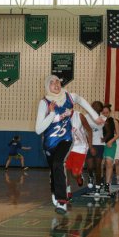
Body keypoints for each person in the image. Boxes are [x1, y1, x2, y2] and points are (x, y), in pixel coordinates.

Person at [35, 75, 104, 214]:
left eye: (58, 81)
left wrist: (95, 117)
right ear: (47, 86)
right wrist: (52, 114)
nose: (56, 84)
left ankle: (62, 201)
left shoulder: (69, 96)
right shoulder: (44, 103)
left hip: (66, 139)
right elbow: (38, 130)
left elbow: (82, 101)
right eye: (52, 82)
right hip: (49, 142)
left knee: (58, 163)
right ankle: (55, 191)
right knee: (54, 169)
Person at [64, 110, 93, 197]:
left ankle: (79, 177)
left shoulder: (79, 116)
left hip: (81, 147)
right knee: (66, 169)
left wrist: (90, 146)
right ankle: (68, 191)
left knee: (75, 174)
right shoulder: (62, 117)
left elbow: (89, 130)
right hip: (69, 146)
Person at [84, 101, 106, 190]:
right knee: (90, 166)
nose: (96, 107)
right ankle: (90, 175)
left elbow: (109, 130)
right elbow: (83, 131)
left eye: (98, 106)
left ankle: (98, 183)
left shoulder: (103, 118)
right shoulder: (86, 117)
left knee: (97, 165)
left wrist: (106, 138)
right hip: (89, 143)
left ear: (101, 109)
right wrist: (89, 145)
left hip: (99, 144)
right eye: (94, 106)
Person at [101, 103, 119, 193]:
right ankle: (100, 182)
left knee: (109, 163)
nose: (105, 114)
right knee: (100, 163)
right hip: (100, 144)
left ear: (110, 112)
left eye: (107, 112)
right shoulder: (98, 121)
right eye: (103, 113)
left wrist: (110, 141)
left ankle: (107, 184)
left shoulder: (114, 121)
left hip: (111, 144)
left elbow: (117, 134)